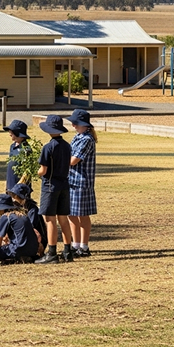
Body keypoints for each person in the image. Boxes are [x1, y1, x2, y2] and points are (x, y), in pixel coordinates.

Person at [35, 114, 74, 265]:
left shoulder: (48, 147)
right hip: (64, 184)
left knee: (50, 219)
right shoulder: (67, 146)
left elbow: (43, 170)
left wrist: (35, 172)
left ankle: (51, 253)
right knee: (63, 218)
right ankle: (67, 250)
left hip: (50, 186)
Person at [67, 108, 98, 258]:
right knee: (72, 214)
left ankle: (84, 246)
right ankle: (75, 244)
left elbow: (73, 160)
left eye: (76, 123)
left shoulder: (87, 139)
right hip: (71, 180)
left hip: (81, 182)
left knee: (82, 215)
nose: (73, 125)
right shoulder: (77, 137)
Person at [0, 193, 38, 264]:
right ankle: (23, 257)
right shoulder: (22, 214)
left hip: (18, 249)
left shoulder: (5, 217)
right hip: (33, 250)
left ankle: (16, 257)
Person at [7, 182, 47, 255]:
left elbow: (31, 227)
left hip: (36, 238)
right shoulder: (16, 206)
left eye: (15, 196)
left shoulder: (32, 209)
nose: (13, 199)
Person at [4, 119, 31, 191]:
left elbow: (27, 171)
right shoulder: (12, 146)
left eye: (12, 133)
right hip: (10, 183)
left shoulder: (26, 149)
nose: (9, 134)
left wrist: (20, 185)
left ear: (18, 134)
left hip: (20, 187)